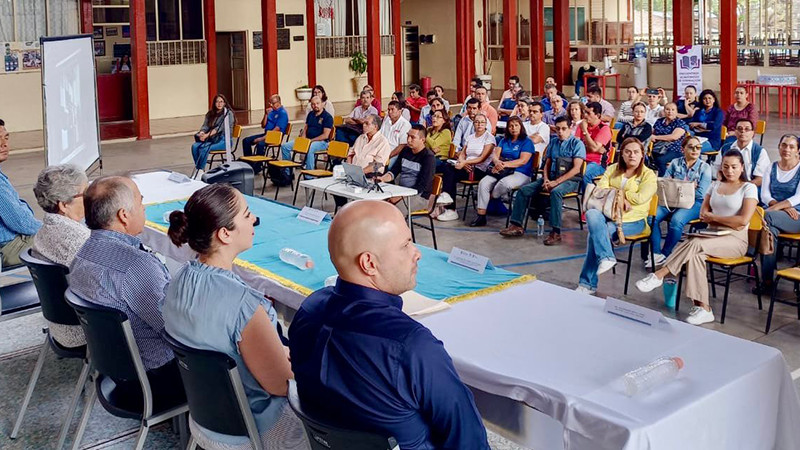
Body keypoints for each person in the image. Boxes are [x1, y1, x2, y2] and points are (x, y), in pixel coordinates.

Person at [289, 200, 490, 449]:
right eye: (405, 245)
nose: (417, 253)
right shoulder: (411, 346)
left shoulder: (308, 312)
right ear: (369, 264)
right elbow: (467, 439)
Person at [164, 184, 308, 448]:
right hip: (253, 428)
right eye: (247, 214)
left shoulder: (176, 281)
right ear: (225, 234)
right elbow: (281, 385)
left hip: (203, 419)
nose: (254, 219)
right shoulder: (246, 306)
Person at [69, 176, 185, 401]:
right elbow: (175, 330)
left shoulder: (82, 254)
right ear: (123, 215)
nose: (143, 209)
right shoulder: (137, 266)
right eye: (141, 203)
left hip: (113, 372)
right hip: (154, 380)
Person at [636, 150, 758, 325]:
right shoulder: (715, 185)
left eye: (734, 167)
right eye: (725, 166)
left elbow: (742, 221)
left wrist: (715, 218)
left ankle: (659, 274)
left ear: (742, 168)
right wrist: (713, 219)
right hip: (711, 234)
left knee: (695, 243)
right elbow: (703, 213)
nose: (729, 171)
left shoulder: (748, 188)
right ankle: (703, 308)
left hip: (735, 239)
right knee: (695, 255)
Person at [576, 138, 657, 295]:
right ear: (622, 154)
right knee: (592, 213)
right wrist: (620, 197)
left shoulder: (649, 175)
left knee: (596, 234)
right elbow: (600, 190)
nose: (631, 155)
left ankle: (587, 283)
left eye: (635, 152)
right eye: (627, 152)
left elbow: (641, 198)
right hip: (608, 215)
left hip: (634, 221)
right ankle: (606, 257)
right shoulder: (613, 168)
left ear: (642, 155)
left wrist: (617, 195)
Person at [500, 116, 586, 244]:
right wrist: (546, 179)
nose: (560, 132)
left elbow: (576, 169)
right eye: (557, 129)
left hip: (569, 180)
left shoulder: (577, 144)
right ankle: (516, 225)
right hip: (550, 178)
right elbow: (547, 164)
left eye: (563, 129)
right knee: (524, 190)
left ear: (570, 128)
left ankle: (555, 232)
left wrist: (555, 183)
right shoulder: (554, 142)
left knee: (556, 192)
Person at [31, 164, 89, 348]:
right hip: (84, 330)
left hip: (60, 326)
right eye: (84, 194)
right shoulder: (77, 239)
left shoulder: (45, 230)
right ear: (64, 205)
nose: (91, 198)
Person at [647, 136, 712, 267]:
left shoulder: (705, 168)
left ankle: (665, 254)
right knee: (651, 217)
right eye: (691, 147)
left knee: (677, 221)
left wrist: (676, 184)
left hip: (694, 203)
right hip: (671, 200)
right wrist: (688, 186)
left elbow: (700, 193)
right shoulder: (675, 163)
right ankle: (656, 254)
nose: (695, 150)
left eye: (698, 147)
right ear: (683, 149)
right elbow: (665, 184)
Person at [469, 117, 535, 227]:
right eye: (510, 126)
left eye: (516, 125)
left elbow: (522, 161)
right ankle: (481, 216)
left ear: (521, 127)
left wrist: (503, 164)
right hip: (501, 170)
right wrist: (497, 162)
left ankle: (492, 196)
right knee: (484, 183)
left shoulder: (527, 142)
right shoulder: (504, 140)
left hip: (520, 172)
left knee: (505, 183)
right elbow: (495, 155)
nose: (513, 128)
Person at [758, 135, 800, 293]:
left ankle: (750, 254)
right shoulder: (771, 167)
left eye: (791, 146)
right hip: (777, 215)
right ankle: (767, 280)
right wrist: (780, 207)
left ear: (798, 151)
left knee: (764, 217)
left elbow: (798, 197)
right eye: (783, 145)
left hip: (797, 216)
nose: (786, 149)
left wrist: (773, 209)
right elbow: (765, 196)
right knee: (768, 231)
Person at [438, 113, 495, 222]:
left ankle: (450, 206)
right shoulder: (470, 137)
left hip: (479, 169)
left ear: (486, 124)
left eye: (482, 122)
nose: (479, 124)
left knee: (451, 174)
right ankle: (448, 203)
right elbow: (463, 153)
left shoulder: (489, 138)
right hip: (467, 166)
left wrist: (465, 163)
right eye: (477, 122)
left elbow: (482, 158)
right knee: (447, 167)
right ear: (473, 123)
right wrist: (462, 162)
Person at [0, 120, 41, 267]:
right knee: (67, 240)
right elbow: (22, 223)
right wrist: (48, 229)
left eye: (6, 137)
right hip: (7, 248)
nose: (4, 144)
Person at [378, 125, 437, 211]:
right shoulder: (405, 150)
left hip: (419, 196)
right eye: (408, 136)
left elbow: (422, 186)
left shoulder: (428, 157)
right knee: (377, 204)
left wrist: (400, 196)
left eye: (412, 137)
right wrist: (382, 179)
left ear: (422, 140)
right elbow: (394, 170)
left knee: (394, 211)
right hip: (402, 191)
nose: (408, 140)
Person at [281, 96, 333, 172]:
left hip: (322, 142)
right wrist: (303, 138)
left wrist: (311, 140)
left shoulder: (327, 117)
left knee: (310, 148)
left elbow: (325, 135)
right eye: (313, 104)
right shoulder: (311, 114)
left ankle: (309, 175)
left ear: (322, 104)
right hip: (308, 139)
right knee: (285, 146)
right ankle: (287, 172)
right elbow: (306, 128)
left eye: (317, 103)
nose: (315, 106)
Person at [714, 118, 769, 187]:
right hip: (726, 186)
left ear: (753, 133)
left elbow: (760, 179)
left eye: (747, 129)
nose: (743, 131)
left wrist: (740, 188)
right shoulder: (725, 148)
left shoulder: (760, 152)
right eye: (739, 129)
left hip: (749, 187)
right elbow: (718, 170)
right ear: (735, 132)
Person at [191, 94, 235, 175]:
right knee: (195, 146)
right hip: (212, 139)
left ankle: (200, 171)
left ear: (225, 103)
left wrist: (206, 136)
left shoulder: (228, 114)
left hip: (224, 140)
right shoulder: (210, 113)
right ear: (214, 103)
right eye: (217, 102)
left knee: (204, 148)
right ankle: (199, 169)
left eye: (221, 102)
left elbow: (219, 128)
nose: (219, 104)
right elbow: (205, 126)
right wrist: (202, 133)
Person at [242, 94, 289, 167]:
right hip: (266, 133)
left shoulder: (282, 113)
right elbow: (263, 125)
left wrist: (261, 138)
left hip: (275, 136)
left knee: (260, 144)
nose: (270, 105)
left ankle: (258, 166)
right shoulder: (271, 111)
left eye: (272, 103)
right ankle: (249, 163)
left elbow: (276, 129)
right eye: (269, 103)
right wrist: (266, 114)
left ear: (278, 103)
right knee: (246, 141)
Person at [576, 102, 612, 187]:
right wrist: (592, 146)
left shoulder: (604, 128)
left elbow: (594, 149)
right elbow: (576, 145)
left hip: (597, 163)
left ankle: (590, 198)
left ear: (598, 115)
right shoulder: (582, 125)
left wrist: (585, 131)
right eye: (585, 112)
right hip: (580, 159)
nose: (585, 115)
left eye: (588, 113)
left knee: (585, 174)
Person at [650, 103, 689, 176]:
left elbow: (674, 137)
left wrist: (656, 137)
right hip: (658, 148)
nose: (670, 112)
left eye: (673, 110)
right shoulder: (659, 121)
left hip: (674, 149)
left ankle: (663, 180)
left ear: (676, 112)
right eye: (667, 109)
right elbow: (652, 132)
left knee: (660, 160)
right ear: (664, 111)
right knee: (644, 157)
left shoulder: (680, 123)